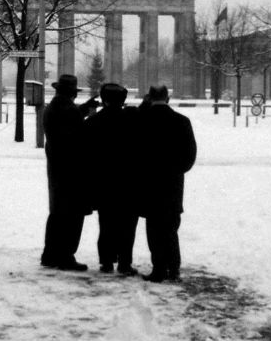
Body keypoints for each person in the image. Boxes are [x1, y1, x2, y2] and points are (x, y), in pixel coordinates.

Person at [136, 85, 196, 283]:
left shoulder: (142, 120)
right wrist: (176, 171)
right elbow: (189, 156)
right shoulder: (182, 121)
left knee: (154, 229)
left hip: (149, 182)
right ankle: (174, 268)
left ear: (150, 98)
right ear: (168, 98)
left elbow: (134, 152)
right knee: (171, 228)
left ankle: (159, 268)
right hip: (172, 184)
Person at [39, 74, 99, 271]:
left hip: (57, 170)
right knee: (72, 216)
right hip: (72, 172)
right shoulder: (68, 110)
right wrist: (91, 117)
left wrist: (83, 109)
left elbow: (68, 123)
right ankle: (66, 255)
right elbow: (79, 136)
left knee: (57, 214)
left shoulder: (54, 107)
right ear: (71, 93)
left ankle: (50, 254)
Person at [82, 83, 140, 276]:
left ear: (104, 99)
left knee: (106, 224)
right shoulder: (132, 121)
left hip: (103, 183)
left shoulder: (92, 122)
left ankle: (106, 261)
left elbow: (86, 155)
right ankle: (124, 262)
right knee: (127, 225)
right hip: (129, 182)